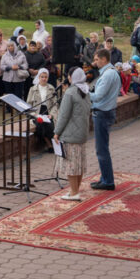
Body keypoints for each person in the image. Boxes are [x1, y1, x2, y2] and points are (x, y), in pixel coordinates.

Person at [54, 68, 92, 201]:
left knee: (71, 165)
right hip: (82, 133)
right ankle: (74, 190)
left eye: (69, 76)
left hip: (70, 134)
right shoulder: (86, 90)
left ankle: (74, 192)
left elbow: (63, 116)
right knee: (79, 164)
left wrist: (57, 132)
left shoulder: (70, 93)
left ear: (71, 77)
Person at [89, 49, 121, 191]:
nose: (94, 62)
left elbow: (98, 96)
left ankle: (108, 181)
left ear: (104, 59)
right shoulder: (110, 72)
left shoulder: (108, 74)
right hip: (105, 112)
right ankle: (105, 178)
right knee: (102, 148)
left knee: (101, 149)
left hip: (102, 113)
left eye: (96, 59)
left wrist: (83, 91)